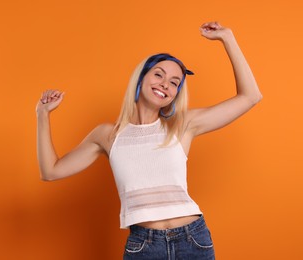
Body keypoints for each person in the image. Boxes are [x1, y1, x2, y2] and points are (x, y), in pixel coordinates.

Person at [36, 21, 262, 260]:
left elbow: (250, 96)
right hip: (143, 245)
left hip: (193, 241)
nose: (165, 84)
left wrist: (228, 38)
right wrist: (42, 115)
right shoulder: (108, 135)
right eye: (159, 75)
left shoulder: (181, 125)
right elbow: (51, 171)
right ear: (141, 78)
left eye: (174, 82)